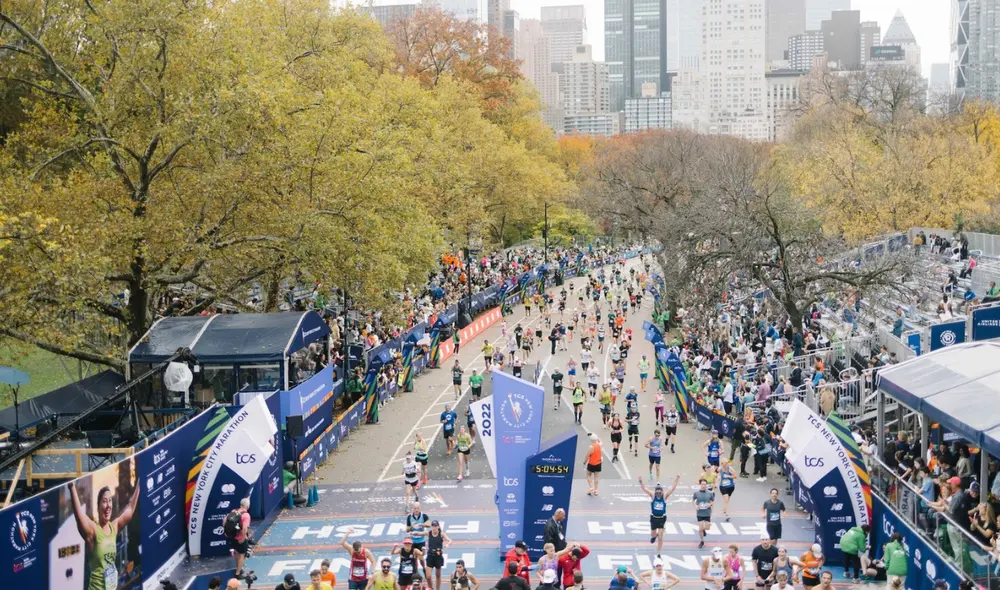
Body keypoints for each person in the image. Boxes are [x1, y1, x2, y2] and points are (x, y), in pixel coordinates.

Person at [68, 474, 141, 590]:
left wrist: (139, 484)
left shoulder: (114, 527)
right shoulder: (93, 530)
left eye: (110, 501)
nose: (108, 506)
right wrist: (71, 487)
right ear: (98, 507)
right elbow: (79, 516)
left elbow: (130, 510)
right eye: (105, 501)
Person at [639, 475, 682, 558]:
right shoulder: (653, 495)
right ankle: (654, 536)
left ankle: (658, 553)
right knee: (654, 535)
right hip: (654, 518)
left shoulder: (665, 496)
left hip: (662, 519)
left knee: (661, 537)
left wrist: (677, 479)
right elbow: (644, 488)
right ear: (655, 492)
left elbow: (672, 488)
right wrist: (641, 482)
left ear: (662, 492)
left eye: (660, 492)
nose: (658, 494)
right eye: (657, 492)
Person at [425, 520, 451, 590]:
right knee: (428, 576)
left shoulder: (441, 534)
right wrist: (414, 533)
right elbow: (420, 533)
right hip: (430, 556)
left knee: (438, 575)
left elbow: (449, 540)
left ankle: (438, 589)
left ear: (438, 526)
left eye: (435, 526)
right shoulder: (429, 533)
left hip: (438, 556)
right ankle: (431, 588)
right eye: (433, 526)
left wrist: (447, 544)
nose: (434, 527)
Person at [693, 478, 716, 548]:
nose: (703, 486)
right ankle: (702, 541)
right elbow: (693, 501)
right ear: (700, 485)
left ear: (706, 485)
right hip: (700, 513)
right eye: (702, 484)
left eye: (705, 484)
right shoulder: (696, 493)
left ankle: (704, 530)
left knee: (707, 527)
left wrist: (710, 504)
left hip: (707, 512)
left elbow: (712, 501)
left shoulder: (710, 493)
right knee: (700, 529)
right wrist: (695, 506)